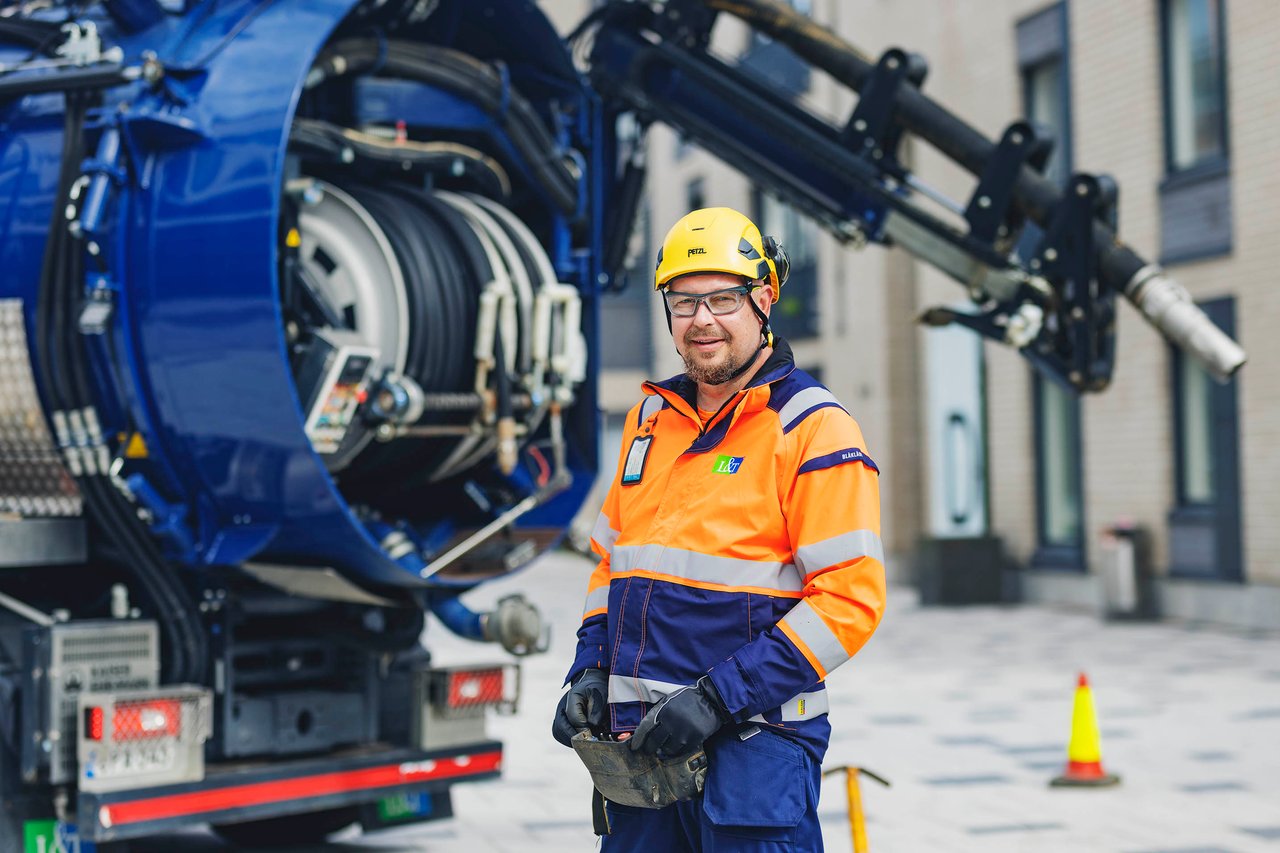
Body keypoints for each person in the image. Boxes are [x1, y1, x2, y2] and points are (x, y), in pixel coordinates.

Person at [553, 207, 885, 851]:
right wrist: (589, 670)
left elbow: (849, 601)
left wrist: (715, 700)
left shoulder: (815, 428)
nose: (702, 319)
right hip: (643, 754)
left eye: (723, 298)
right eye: (683, 301)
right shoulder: (649, 419)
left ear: (763, 300)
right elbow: (611, 563)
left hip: (754, 752)